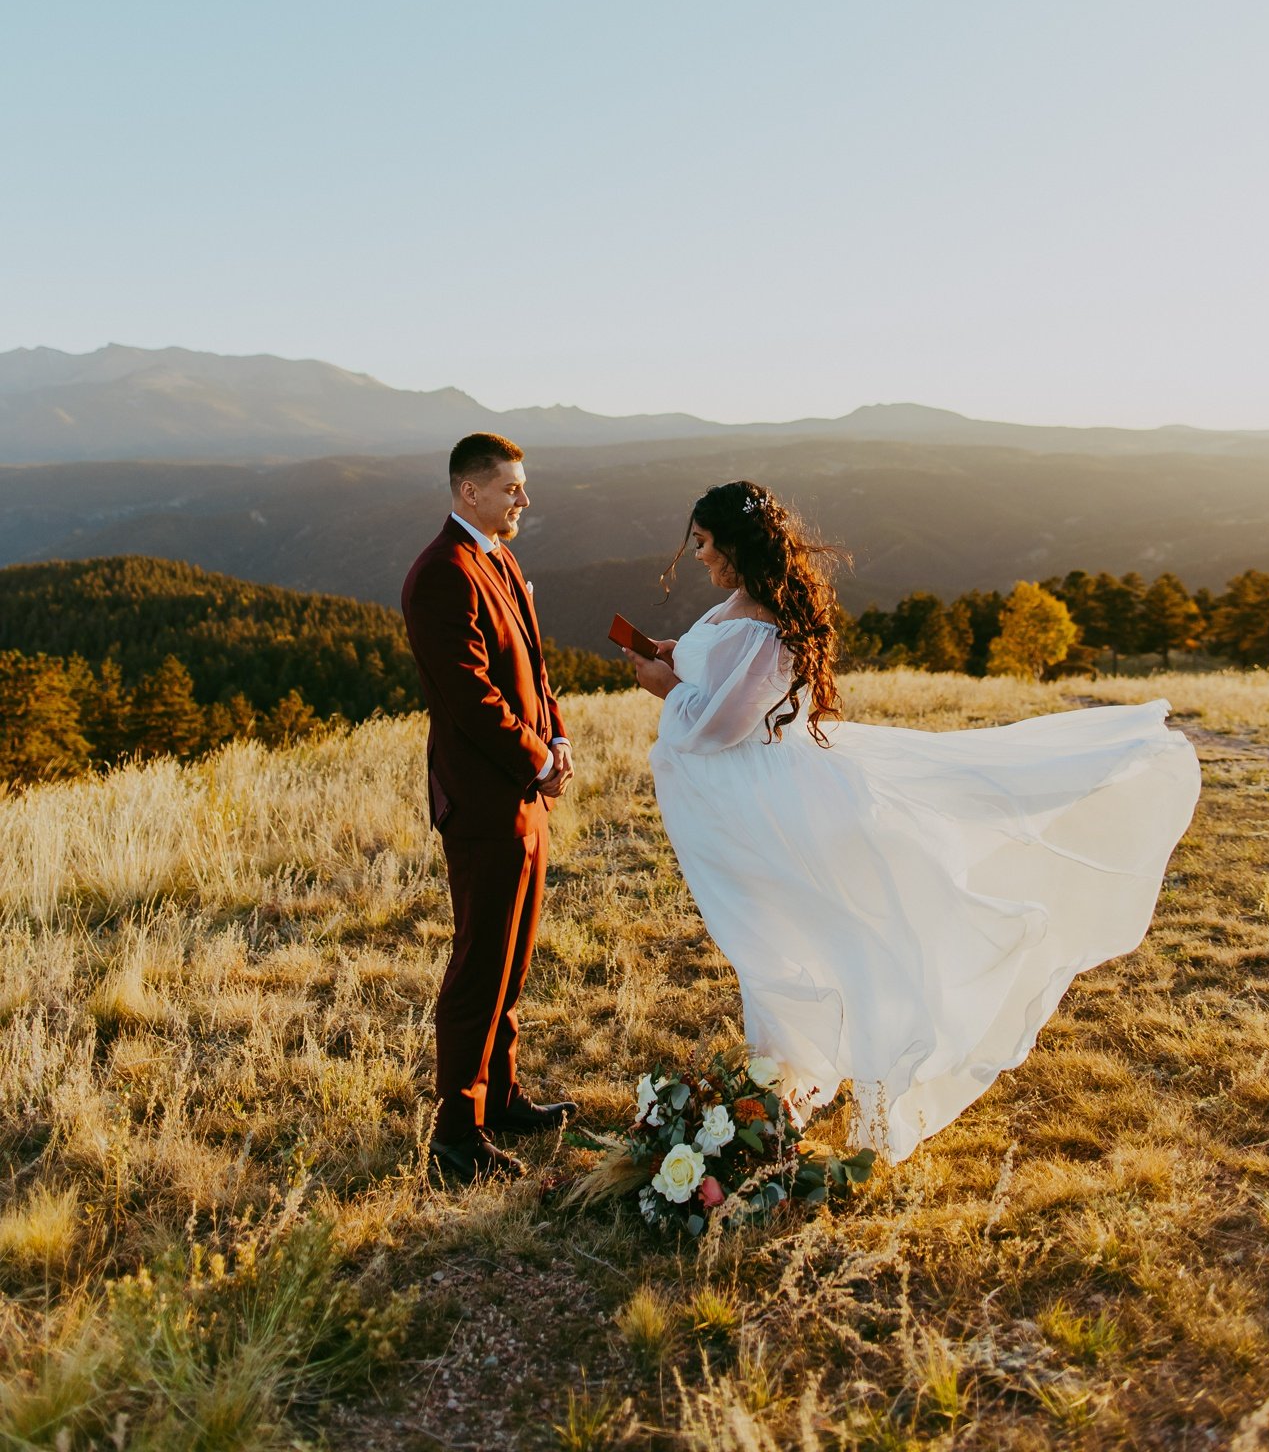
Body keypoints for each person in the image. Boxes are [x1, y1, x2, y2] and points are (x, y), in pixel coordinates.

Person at [625, 480, 1201, 1163]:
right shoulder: (735, 607)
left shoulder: (766, 621)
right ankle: (785, 1077)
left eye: (702, 542)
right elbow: (719, 680)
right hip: (728, 808)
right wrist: (676, 657)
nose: (696, 554)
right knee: (769, 939)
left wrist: (667, 688)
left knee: (794, 938)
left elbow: (724, 723)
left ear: (732, 541)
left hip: (766, 805)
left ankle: (806, 1077)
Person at [401, 432, 577, 1185]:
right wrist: (534, 757)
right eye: (510, 487)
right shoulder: (442, 573)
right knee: (479, 964)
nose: (523, 499)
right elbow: (472, 697)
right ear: (468, 491)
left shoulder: (497, 558)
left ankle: (500, 1097)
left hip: (519, 791)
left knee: (513, 960)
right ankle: (456, 1134)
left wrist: (556, 737)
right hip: (481, 799)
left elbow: (530, 669)